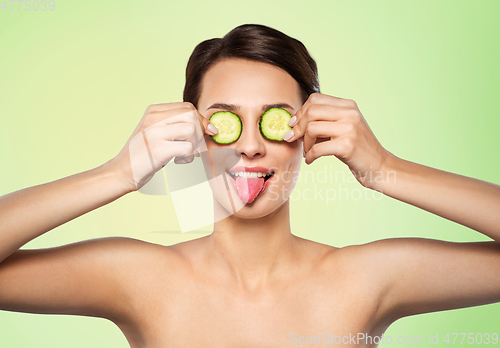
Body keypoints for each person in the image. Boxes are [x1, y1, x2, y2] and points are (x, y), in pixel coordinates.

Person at [1, 23, 499, 348]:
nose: (251, 147)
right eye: (225, 122)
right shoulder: (140, 279)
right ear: (193, 137)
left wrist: (385, 168)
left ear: (309, 133)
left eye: (275, 121)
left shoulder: (365, 278)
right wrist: (117, 174)